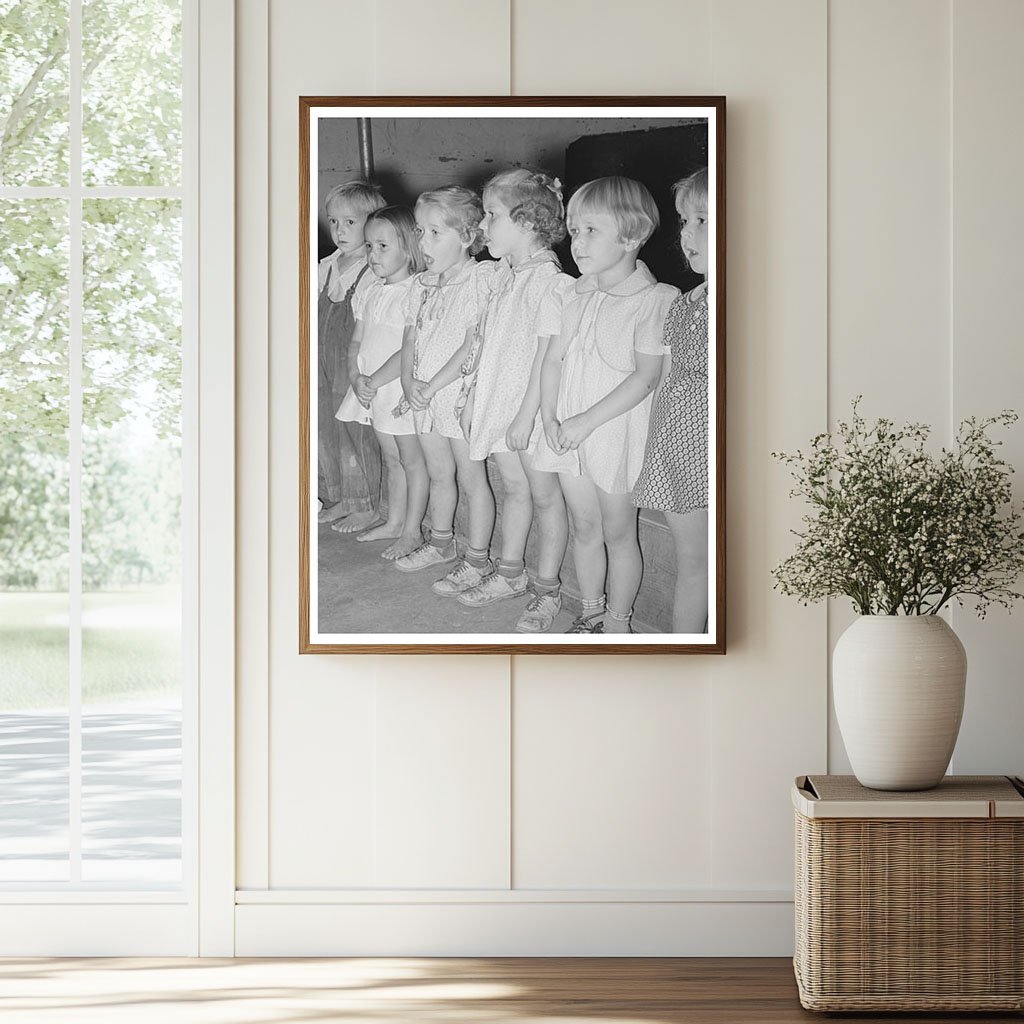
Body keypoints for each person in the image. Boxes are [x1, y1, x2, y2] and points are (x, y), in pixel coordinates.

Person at [534, 176, 679, 634]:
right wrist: (549, 416)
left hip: (614, 435)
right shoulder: (575, 295)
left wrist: (584, 422)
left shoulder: (655, 300)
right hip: (566, 431)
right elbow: (553, 359)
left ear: (632, 235)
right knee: (584, 526)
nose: (578, 242)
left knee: (618, 532)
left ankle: (618, 621)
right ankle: (591, 609)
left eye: (591, 230)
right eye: (574, 230)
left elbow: (646, 376)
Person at [451, 169, 572, 633]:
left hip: (529, 412)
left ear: (529, 222)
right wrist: (471, 397)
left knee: (545, 498)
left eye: (492, 215)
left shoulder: (549, 282)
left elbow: (545, 357)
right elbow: (484, 342)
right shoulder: (504, 276)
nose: (482, 226)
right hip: (498, 403)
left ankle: (547, 591)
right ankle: (510, 573)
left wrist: (526, 417)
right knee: (516, 491)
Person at [392, 186, 497, 579]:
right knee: (439, 474)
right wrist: (407, 381)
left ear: (468, 236)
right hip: (423, 397)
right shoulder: (421, 285)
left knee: (472, 480)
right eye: (420, 231)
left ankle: (478, 558)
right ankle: (440, 542)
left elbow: (473, 344)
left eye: (436, 232)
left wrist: (432, 386)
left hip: (455, 395)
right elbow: (410, 339)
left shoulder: (479, 281)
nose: (424, 242)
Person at [632, 168, 710, 632]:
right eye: (685, 220)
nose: (688, 234)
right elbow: (666, 379)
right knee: (692, 564)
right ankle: (685, 650)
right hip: (679, 452)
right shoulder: (686, 301)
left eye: (703, 219)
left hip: (718, 453)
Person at [335, 206, 429, 560]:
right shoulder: (371, 290)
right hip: (371, 388)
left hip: (395, 387)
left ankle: (411, 530)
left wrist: (373, 379)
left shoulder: (416, 292)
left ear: (408, 248)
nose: (373, 255)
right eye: (370, 246)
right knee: (391, 459)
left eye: (382, 246)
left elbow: (409, 348)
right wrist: (355, 376)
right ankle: (393, 521)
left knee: (411, 461)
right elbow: (357, 340)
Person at [317, 180, 385, 531]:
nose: (339, 231)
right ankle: (340, 495)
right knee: (325, 426)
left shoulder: (373, 269)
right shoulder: (327, 266)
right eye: (333, 222)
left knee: (353, 431)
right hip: (322, 361)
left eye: (350, 222)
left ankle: (365, 504)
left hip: (353, 361)